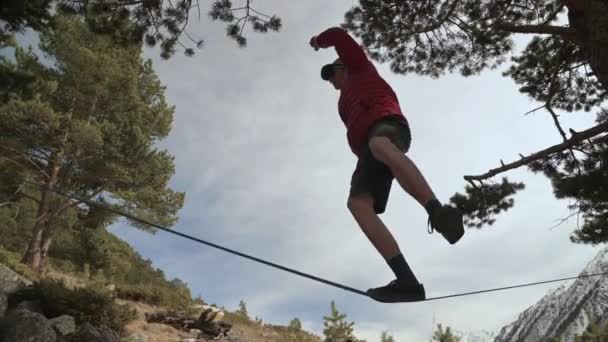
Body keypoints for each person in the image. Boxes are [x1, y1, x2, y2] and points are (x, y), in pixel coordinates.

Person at [309, 27, 465, 303]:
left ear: (344, 66)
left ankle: (438, 213)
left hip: (388, 128)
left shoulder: (360, 69)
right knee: (357, 204)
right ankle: (407, 282)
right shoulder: (343, 103)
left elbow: (338, 34)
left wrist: (319, 42)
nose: (330, 80)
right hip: (370, 151)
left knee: (380, 144)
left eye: (332, 73)